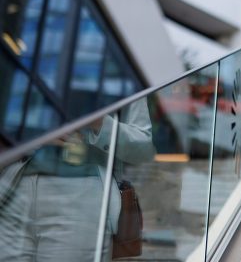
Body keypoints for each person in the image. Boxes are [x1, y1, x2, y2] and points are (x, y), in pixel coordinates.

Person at [0, 97, 155, 261]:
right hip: (12, 187)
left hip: (80, 197)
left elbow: (142, 149)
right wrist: (34, 136)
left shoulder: (122, 74)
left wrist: (99, 123)